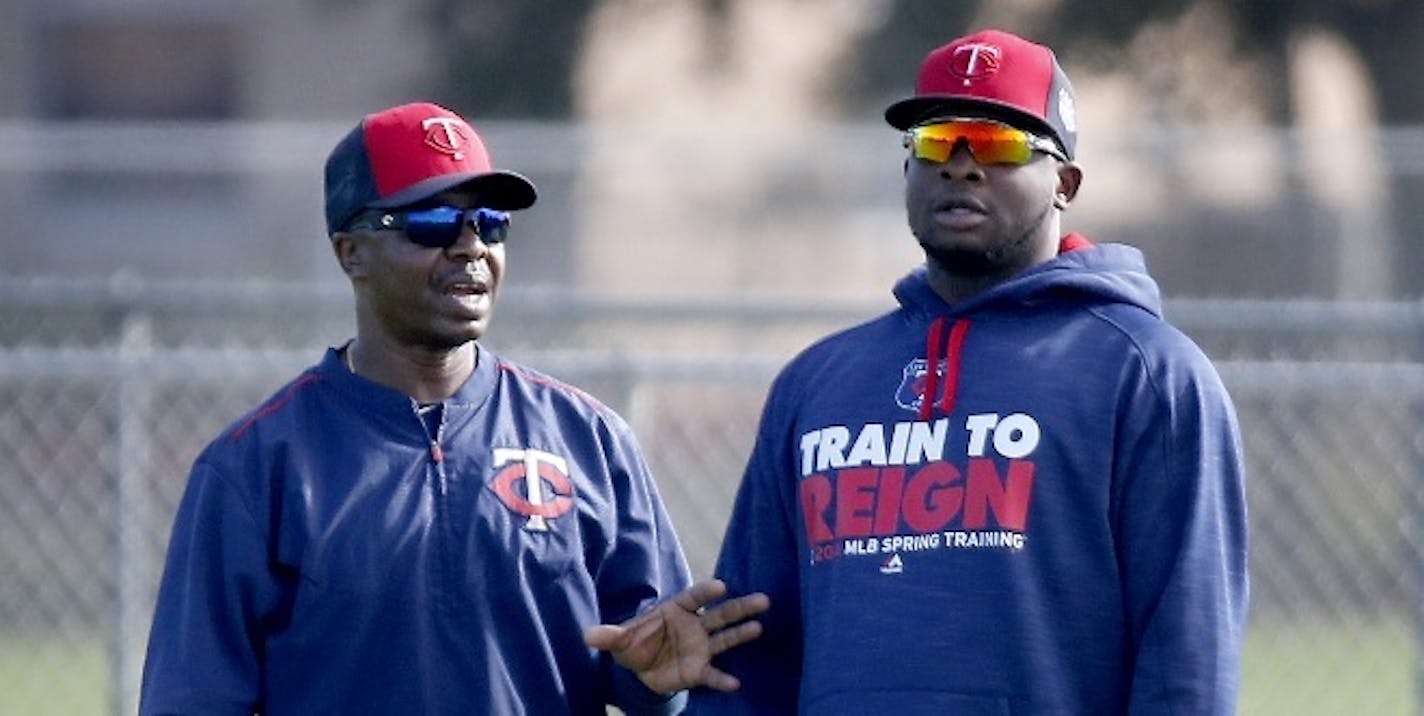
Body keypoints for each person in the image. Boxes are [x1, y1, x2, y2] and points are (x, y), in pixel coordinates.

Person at [139, 101, 768, 715]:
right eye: (434, 222)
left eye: (490, 223)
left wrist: (657, 685)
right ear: (350, 252)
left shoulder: (590, 440)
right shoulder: (256, 468)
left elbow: (652, 666)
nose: (471, 247)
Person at [686, 29, 1248, 715]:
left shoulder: (1146, 375)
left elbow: (1187, 657)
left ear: (1065, 182)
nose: (960, 165)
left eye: (998, 145)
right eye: (934, 142)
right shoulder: (817, 382)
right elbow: (750, 651)